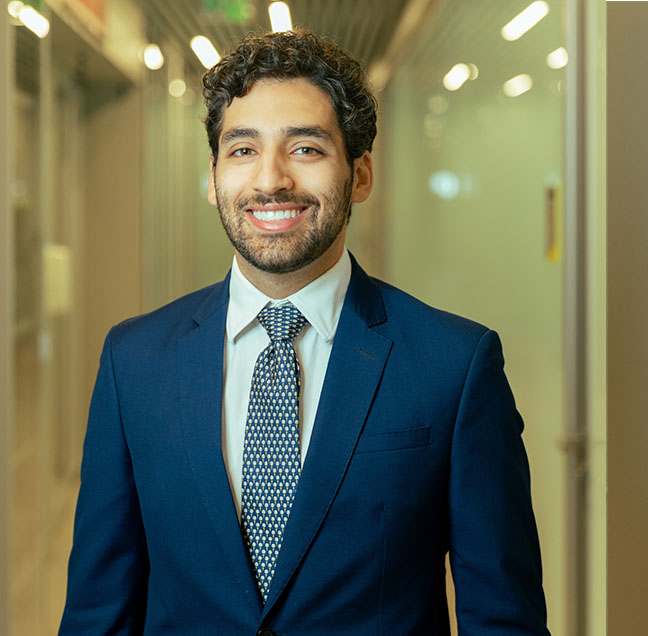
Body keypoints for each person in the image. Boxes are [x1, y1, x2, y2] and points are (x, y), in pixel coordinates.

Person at [59, 29, 550, 636]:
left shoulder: (454, 365)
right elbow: (97, 612)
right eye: (242, 150)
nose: (271, 180)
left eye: (306, 149)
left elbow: (502, 617)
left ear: (360, 175)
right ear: (213, 177)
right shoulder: (133, 362)